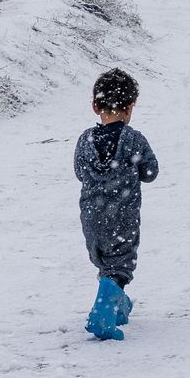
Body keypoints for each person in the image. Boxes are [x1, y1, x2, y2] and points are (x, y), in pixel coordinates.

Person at [73, 68, 160, 341]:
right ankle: (102, 316)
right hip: (122, 217)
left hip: (91, 217)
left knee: (105, 262)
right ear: (130, 107)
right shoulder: (133, 140)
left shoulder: (85, 140)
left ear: (95, 106)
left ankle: (118, 306)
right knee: (120, 266)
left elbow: (80, 173)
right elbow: (150, 172)